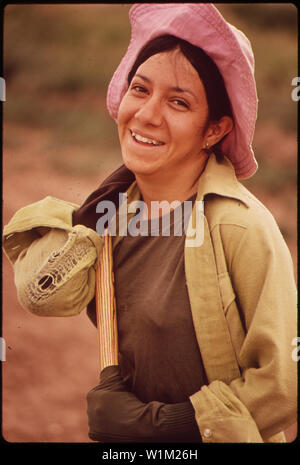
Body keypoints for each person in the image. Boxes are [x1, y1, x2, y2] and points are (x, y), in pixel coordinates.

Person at [2, 4, 297, 443]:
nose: (147, 114)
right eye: (139, 90)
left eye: (178, 102)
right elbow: (45, 296)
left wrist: (165, 425)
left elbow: (283, 384)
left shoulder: (241, 228)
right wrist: (91, 214)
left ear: (214, 130)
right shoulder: (112, 219)